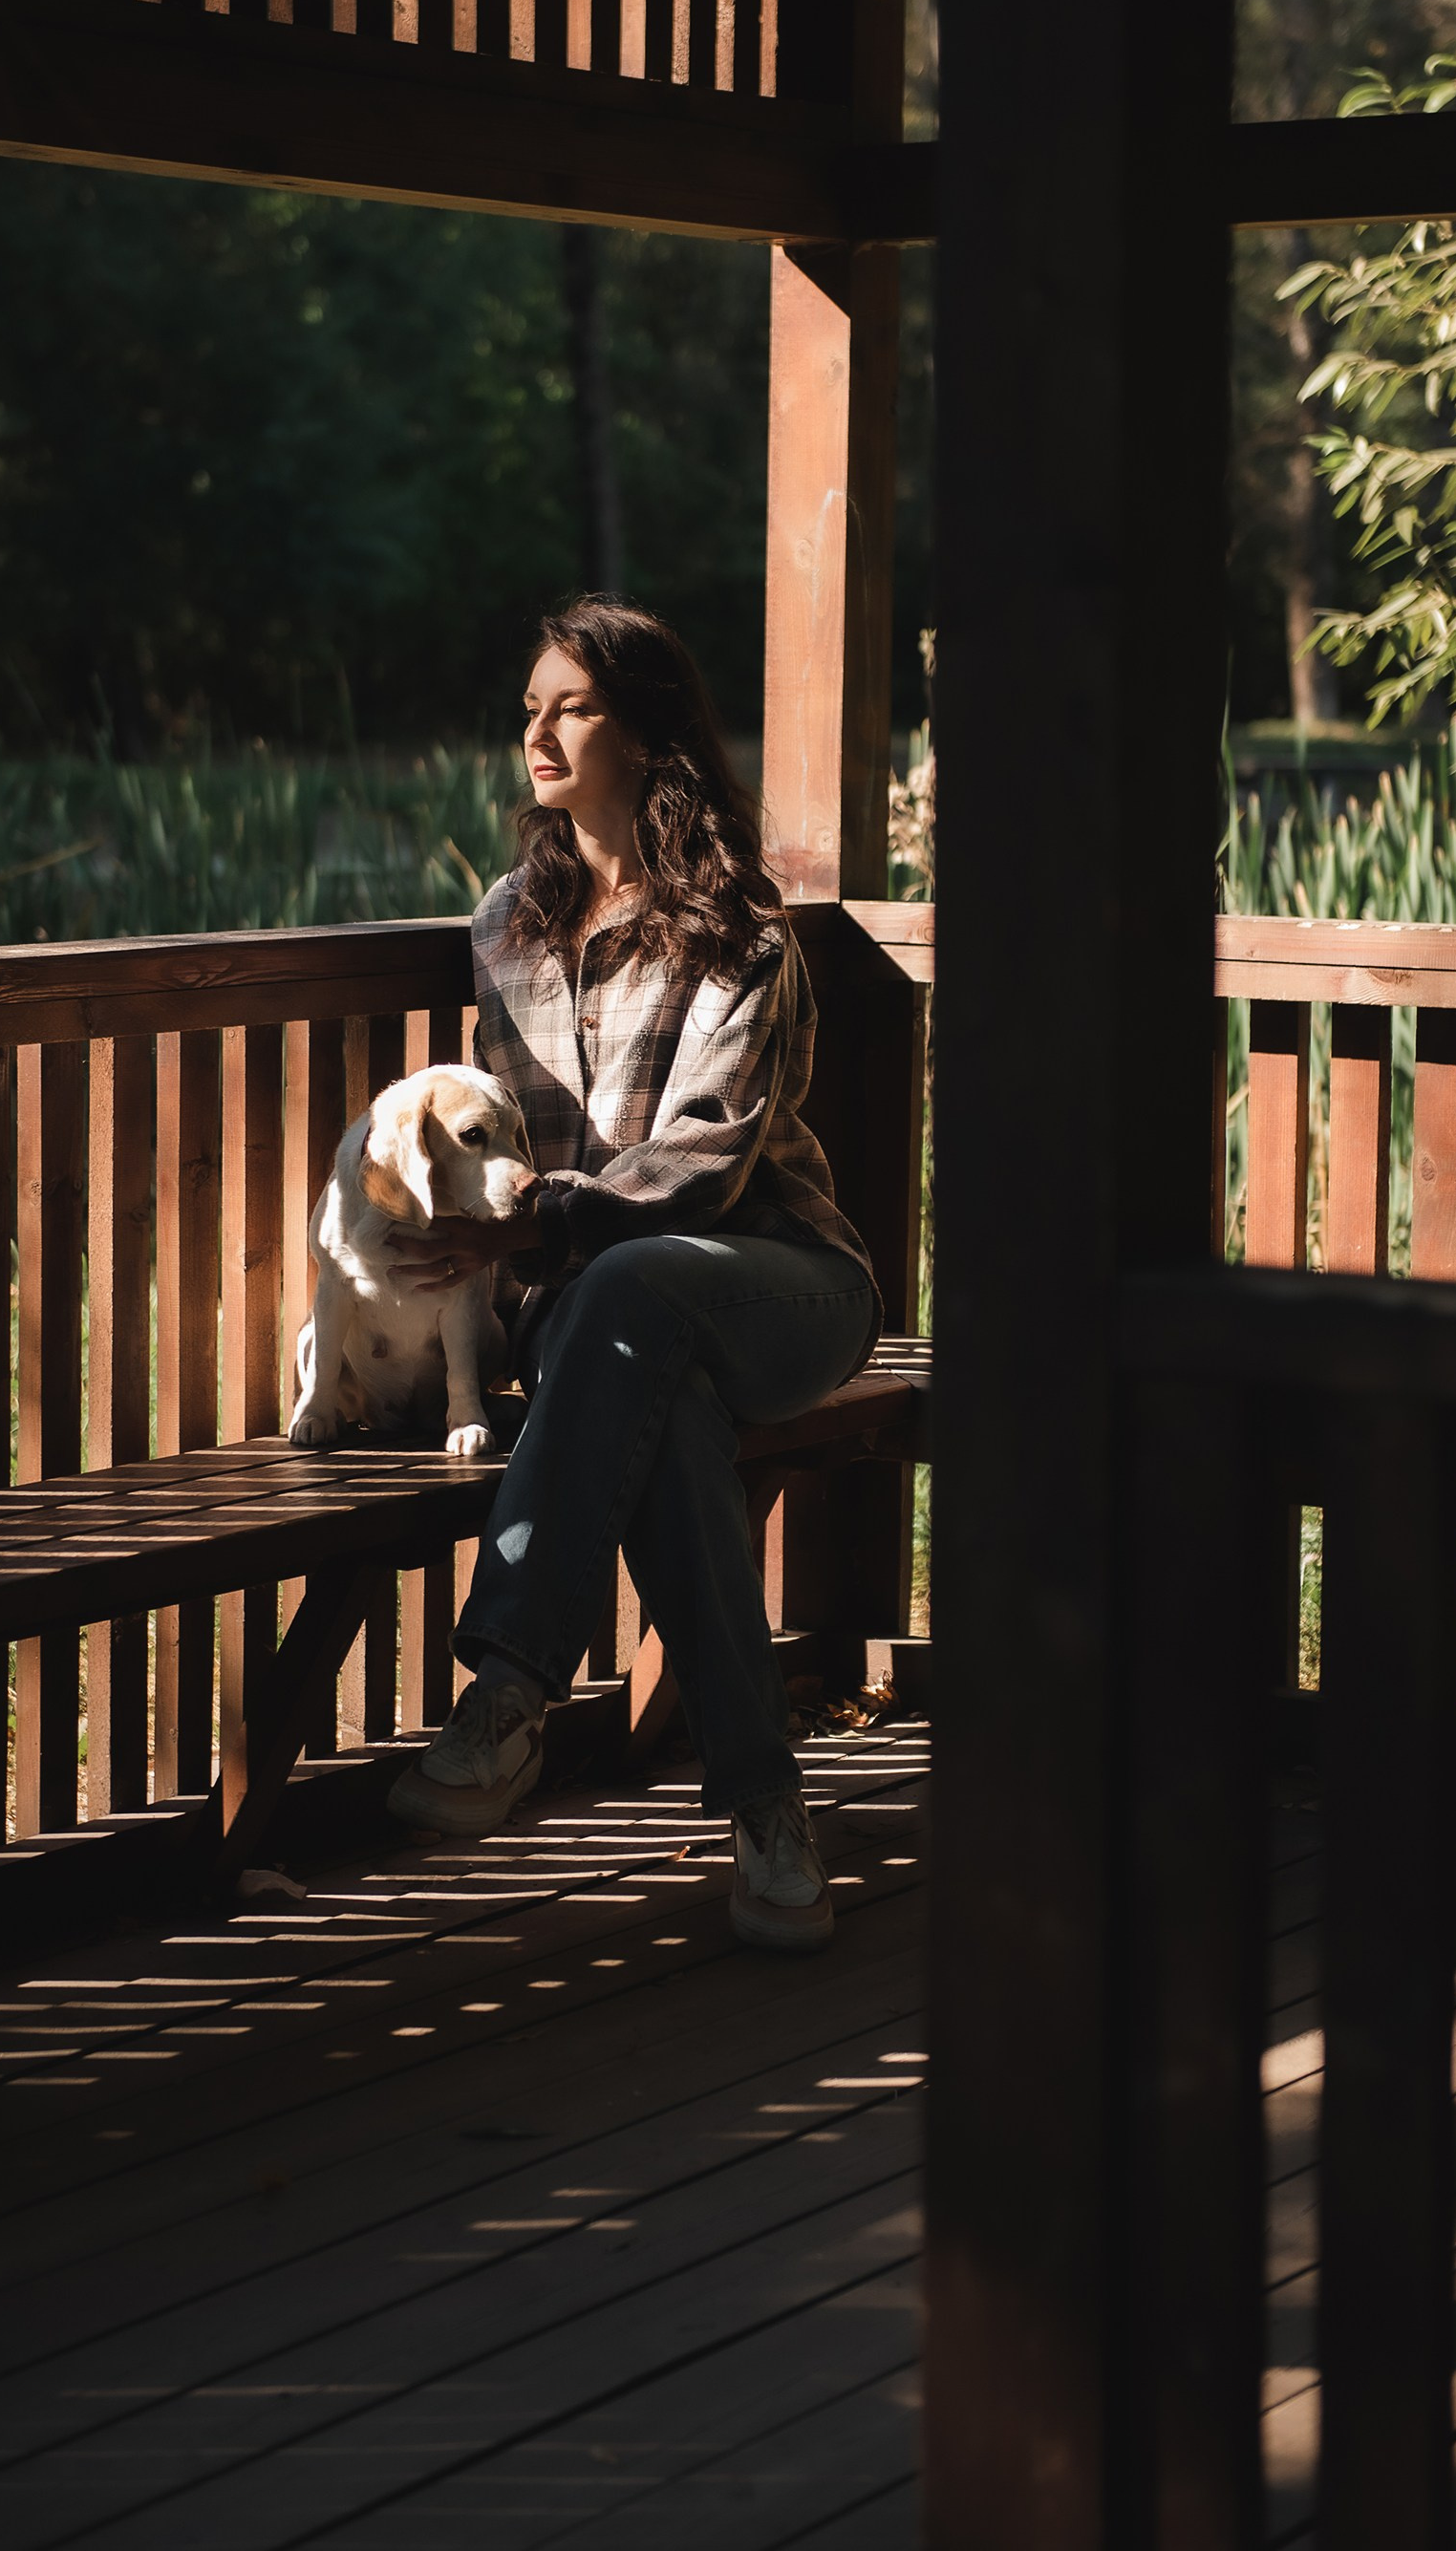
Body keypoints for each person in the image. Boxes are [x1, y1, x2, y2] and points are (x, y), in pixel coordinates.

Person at [385, 595, 882, 1952]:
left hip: (778, 1285)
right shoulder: (509, 926)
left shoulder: (739, 929)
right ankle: (769, 1816)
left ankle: (507, 1690)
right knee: (659, 1414)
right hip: (599, 1319)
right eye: (528, 708)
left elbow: (709, 1164)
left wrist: (537, 1224)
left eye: (572, 706)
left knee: (635, 1289)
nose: (536, 732)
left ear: (647, 727)